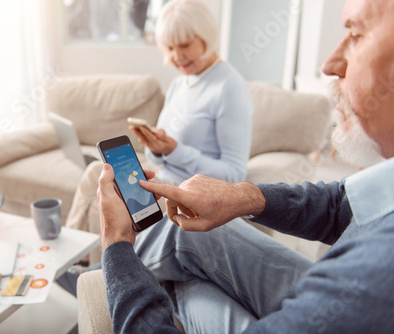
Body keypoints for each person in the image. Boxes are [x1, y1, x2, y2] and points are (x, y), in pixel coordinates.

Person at [97, 0, 394, 332]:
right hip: (334, 291)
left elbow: (232, 167)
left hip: (336, 303)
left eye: (355, 34)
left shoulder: (380, 271)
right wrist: (242, 198)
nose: (328, 64)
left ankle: (100, 274)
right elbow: (340, 206)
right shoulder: (387, 189)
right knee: (182, 250)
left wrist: (116, 246)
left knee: (173, 270)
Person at [62, 0, 253, 265]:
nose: (176, 57)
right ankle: (77, 264)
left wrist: (176, 150)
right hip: (165, 179)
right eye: (170, 47)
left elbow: (234, 175)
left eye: (185, 45)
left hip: (186, 196)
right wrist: (157, 148)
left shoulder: (229, 87)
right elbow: (167, 156)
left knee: (100, 180)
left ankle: (92, 270)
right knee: (96, 173)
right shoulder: (179, 85)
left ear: (206, 36)